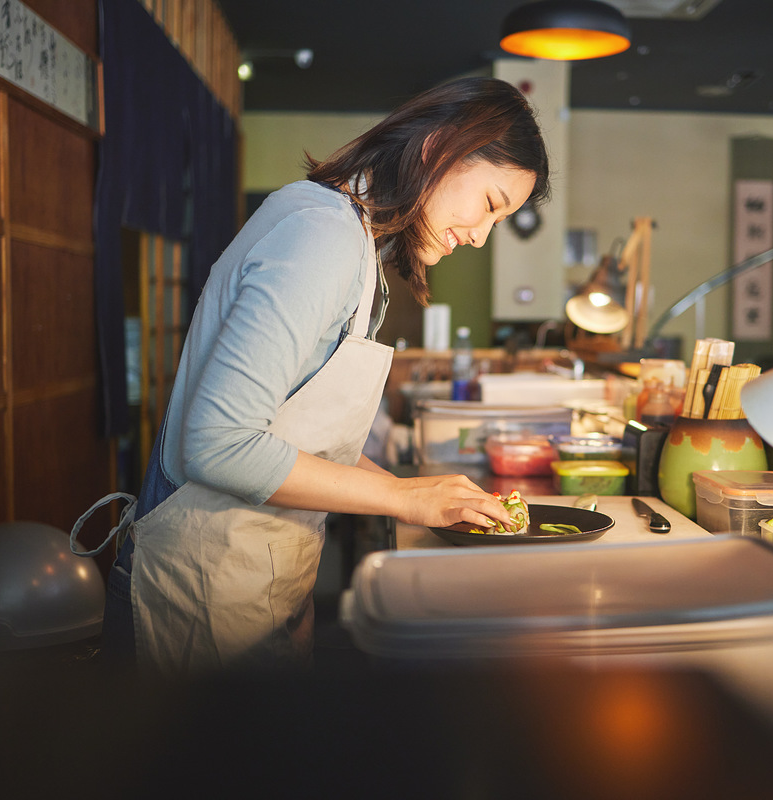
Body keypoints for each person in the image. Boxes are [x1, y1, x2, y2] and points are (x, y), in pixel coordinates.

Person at [72, 77, 550, 673]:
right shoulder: (322, 234)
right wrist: (403, 497)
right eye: (490, 205)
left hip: (254, 590)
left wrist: (295, 599)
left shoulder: (356, 247)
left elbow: (301, 443)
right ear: (440, 149)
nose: (481, 236)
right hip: (192, 593)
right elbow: (218, 446)